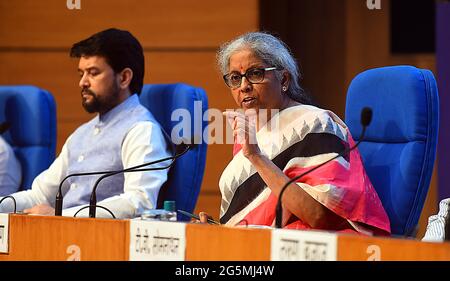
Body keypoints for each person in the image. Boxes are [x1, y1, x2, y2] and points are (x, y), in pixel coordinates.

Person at [199, 32, 390, 235]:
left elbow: (318, 216)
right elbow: (256, 214)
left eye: (255, 74)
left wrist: (257, 157)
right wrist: (218, 231)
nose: (244, 86)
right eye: (235, 78)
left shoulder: (315, 124)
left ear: (284, 79)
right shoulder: (247, 133)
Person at [0, 28, 172, 218]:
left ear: (124, 78)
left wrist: (60, 217)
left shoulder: (142, 130)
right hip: (59, 236)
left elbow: (138, 203)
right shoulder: (81, 134)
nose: (82, 82)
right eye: (81, 73)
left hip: (101, 242)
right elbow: (40, 196)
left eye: (93, 73)